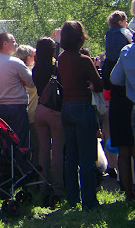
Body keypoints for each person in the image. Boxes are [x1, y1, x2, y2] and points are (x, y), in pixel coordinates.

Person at [58, 20, 103, 211]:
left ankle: (72, 197)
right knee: (87, 156)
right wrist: (91, 85)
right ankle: (89, 200)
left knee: (71, 155)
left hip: (66, 107)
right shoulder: (84, 60)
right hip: (83, 107)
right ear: (80, 38)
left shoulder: (61, 59)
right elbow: (99, 85)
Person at [102, 10, 135, 199]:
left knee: (123, 150)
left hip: (117, 103)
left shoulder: (111, 61)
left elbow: (111, 81)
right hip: (130, 103)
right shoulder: (127, 51)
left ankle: (127, 191)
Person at [32, 37, 65, 200]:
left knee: (43, 149)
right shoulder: (55, 69)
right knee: (57, 150)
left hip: (39, 109)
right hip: (55, 110)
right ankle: (58, 187)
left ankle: (43, 185)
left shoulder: (35, 69)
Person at [0, 32, 34, 149]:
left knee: (5, 144)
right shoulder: (15, 62)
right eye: (13, 41)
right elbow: (31, 82)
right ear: (5, 44)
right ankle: (20, 160)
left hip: (0, 107)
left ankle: (8, 161)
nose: (16, 44)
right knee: (20, 143)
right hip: (17, 107)